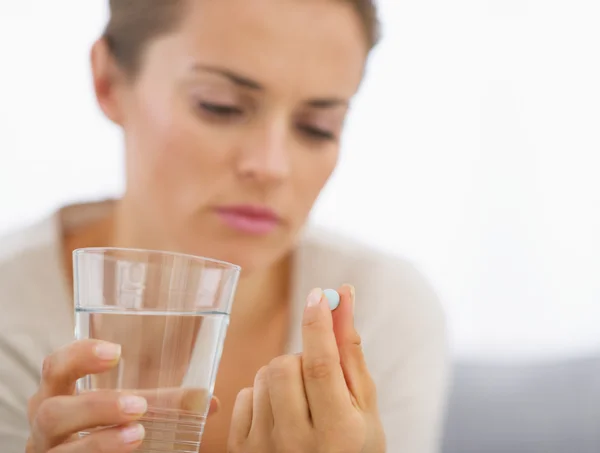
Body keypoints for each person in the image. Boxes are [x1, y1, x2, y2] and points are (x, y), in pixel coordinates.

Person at [0, 0, 449, 452]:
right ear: (108, 81)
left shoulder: (384, 311)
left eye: (317, 127)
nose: (271, 166)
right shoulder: (11, 310)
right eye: (221, 106)